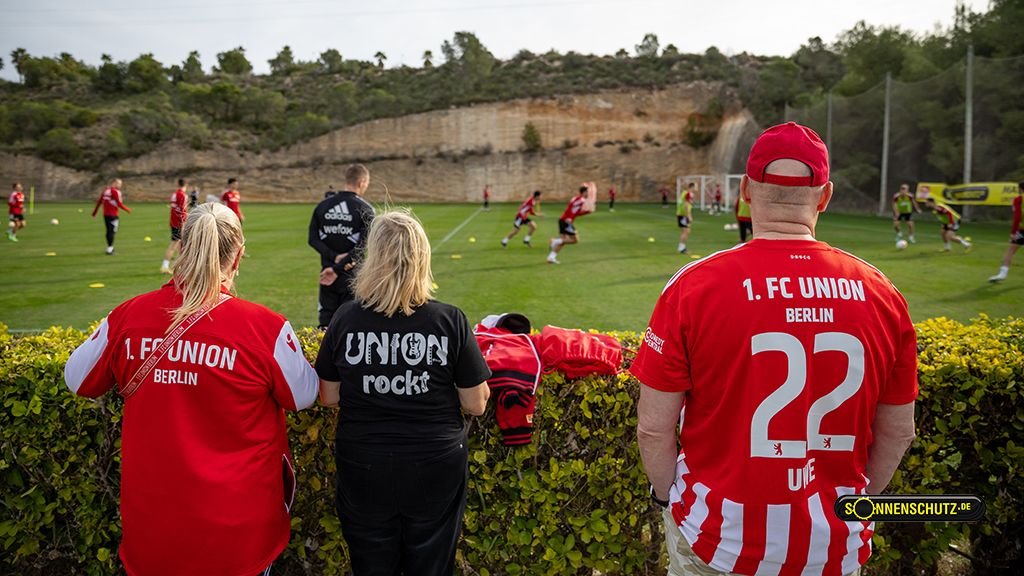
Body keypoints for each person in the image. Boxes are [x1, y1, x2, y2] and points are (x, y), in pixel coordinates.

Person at [632, 122, 917, 576]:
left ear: (744, 191)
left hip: (719, 539)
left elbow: (653, 427)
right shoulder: (882, 292)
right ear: (825, 196)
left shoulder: (693, 286)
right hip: (832, 546)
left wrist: (666, 497)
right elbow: (899, 431)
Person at [64, 202, 318, 576]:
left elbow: (77, 378)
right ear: (239, 255)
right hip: (239, 534)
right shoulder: (265, 327)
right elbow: (304, 396)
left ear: (183, 247)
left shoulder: (129, 316)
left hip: (153, 530)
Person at [314, 210, 491, 576]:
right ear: (422, 259)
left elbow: (328, 396)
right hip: (435, 462)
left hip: (364, 462)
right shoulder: (450, 320)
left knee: (371, 564)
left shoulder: (345, 318)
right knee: (431, 565)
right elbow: (475, 402)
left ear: (372, 259)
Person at [308, 164, 375, 329]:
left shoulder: (323, 206)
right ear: (361, 182)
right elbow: (362, 247)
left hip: (326, 274)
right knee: (353, 325)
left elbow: (313, 239)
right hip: (352, 278)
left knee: (325, 325)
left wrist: (332, 258)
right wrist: (338, 268)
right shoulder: (366, 209)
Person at [547, 183, 595, 264]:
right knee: (575, 240)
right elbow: (571, 208)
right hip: (566, 221)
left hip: (562, 220)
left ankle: (551, 258)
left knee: (563, 242)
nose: (588, 194)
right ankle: (554, 241)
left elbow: (576, 212)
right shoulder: (581, 200)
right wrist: (570, 218)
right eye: (587, 192)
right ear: (584, 192)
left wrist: (587, 212)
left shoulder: (576, 199)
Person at [989, 181, 1023, 282]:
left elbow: (1017, 217)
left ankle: (1002, 274)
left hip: (1022, 230)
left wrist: (1013, 232)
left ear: (1020, 188)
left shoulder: (1019, 199)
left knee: (1010, 251)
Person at [91, 178, 131, 255]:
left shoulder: (105, 191)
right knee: (112, 231)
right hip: (113, 214)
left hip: (106, 214)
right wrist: (127, 209)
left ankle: (110, 247)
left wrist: (94, 212)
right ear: (114, 183)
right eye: (119, 183)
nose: (120, 185)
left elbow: (99, 202)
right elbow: (119, 203)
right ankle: (109, 249)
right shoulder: (115, 191)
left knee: (109, 231)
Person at [161, 178, 189, 274]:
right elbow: (182, 211)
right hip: (179, 224)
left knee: (180, 246)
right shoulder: (183, 195)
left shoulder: (174, 194)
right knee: (175, 245)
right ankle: (165, 266)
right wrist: (184, 224)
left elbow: (174, 209)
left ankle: (179, 266)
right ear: (186, 185)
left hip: (173, 222)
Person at [676, 182, 695, 253]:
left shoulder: (684, 193)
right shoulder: (688, 194)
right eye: (695, 187)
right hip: (683, 215)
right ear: (692, 187)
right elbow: (686, 205)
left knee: (687, 231)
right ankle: (681, 248)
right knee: (685, 231)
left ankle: (682, 247)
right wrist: (689, 215)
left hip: (681, 214)